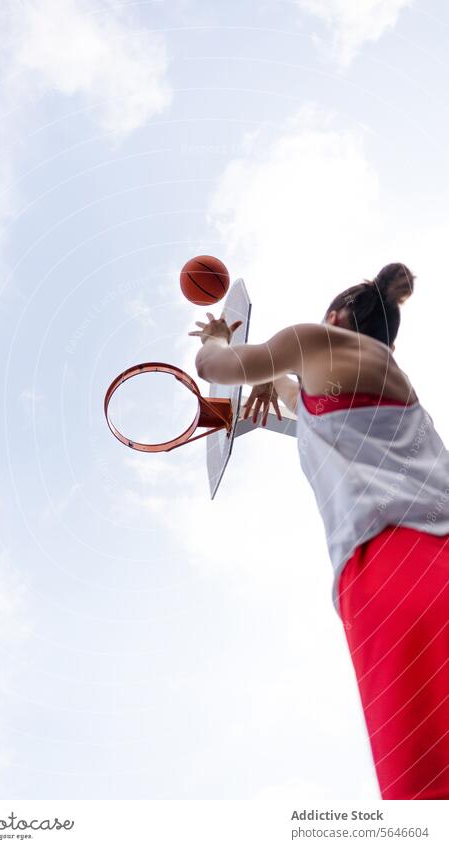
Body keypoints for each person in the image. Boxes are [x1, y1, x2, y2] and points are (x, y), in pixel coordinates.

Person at [189, 263, 449, 800]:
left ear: (333, 316)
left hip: (388, 572)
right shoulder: (372, 372)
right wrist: (261, 386)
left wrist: (217, 337)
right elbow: (291, 397)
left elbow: (216, 364)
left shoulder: (315, 340)